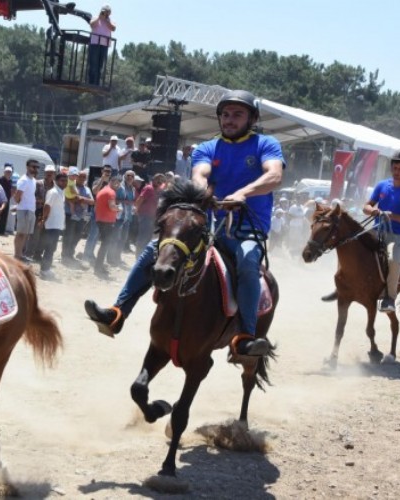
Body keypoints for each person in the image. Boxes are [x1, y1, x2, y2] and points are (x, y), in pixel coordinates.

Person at [84, 89, 285, 357]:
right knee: (154, 249)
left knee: (248, 263)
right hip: (212, 226)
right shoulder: (207, 148)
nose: (230, 119)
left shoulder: (266, 144)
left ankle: (245, 338)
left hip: (248, 229)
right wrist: (204, 193)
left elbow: (274, 176)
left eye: (238, 114)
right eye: (225, 114)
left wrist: (242, 194)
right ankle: (118, 313)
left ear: (252, 118)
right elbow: (199, 175)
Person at [364, 148, 400, 312]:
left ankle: (389, 298)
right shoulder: (382, 185)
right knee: (354, 245)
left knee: (393, 260)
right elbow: (366, 206)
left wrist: (393, 216)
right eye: (394, 168)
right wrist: (374, 211)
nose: (396, 172)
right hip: (377, 231)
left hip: (398, 236)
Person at [37, 172, 67, 280]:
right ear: (57, 181)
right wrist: (43, 220)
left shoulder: (61, 192)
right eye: (62, 180)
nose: (65, 182)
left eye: (66, 180)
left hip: (57, 225)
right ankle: (44, 270)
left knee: (52, 248)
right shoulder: (53, 192)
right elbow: (47, 206)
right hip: (51, 225)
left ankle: (46, 269)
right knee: (49, 248)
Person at [92, 175, 122, 277]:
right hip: (106, 222)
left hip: (102, 220)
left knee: (104, 244)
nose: (118, 185)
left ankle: (99, 266)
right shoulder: (111, 192)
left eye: (119, 183)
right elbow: (112, 207)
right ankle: (98, 267)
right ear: (112, 182)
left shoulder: (104, 190)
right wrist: (119, 209)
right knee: (105, 245)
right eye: (116, 182)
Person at [13, 159, 39, 262]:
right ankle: (17, 255)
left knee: (26, 234)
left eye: (37, 167)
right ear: (27, 167)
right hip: (24, 209)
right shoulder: (24, 180)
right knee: (20, 234)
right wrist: (20, 205)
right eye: (33, 166)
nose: (35, 169)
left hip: (30, 210)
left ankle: (20, 254)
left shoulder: (33, 180)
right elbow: (17, 196)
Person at [87, 4, 114, 85]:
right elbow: (91, 25)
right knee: (93, 64)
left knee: (100, 65)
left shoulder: (110, 20)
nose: (105, 13)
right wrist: (99, 17)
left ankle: (96, 83)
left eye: (107, 12)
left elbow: (113, 28)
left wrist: (107, 20)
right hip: (95, 43)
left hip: (104, 45)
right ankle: (91, 82)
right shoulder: (96, 18)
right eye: (104, 11)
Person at [0, 164, 13, 235]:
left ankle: (2, 231)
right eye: (7, 172)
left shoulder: (10, 181)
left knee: (4, 217)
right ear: (4, 172)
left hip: (7, 201)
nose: (8, 173)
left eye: (9, 172)